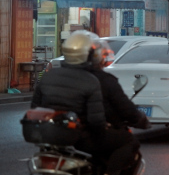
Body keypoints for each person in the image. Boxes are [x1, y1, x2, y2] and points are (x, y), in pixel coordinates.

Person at [31, 31, 127, 175]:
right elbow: (96, 121)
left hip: (49, 138)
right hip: (78, 137)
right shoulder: (91, 80)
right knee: (127, 141)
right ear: (90, 55)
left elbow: (35, 108)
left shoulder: (48, 76)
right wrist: (103, 131)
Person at [86, 35, 150, 174]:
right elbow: (123, 106)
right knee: (130, 142)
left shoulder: (60, 74)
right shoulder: (103, 79)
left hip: (66, 131)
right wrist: (139, 119)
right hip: (89, 132)